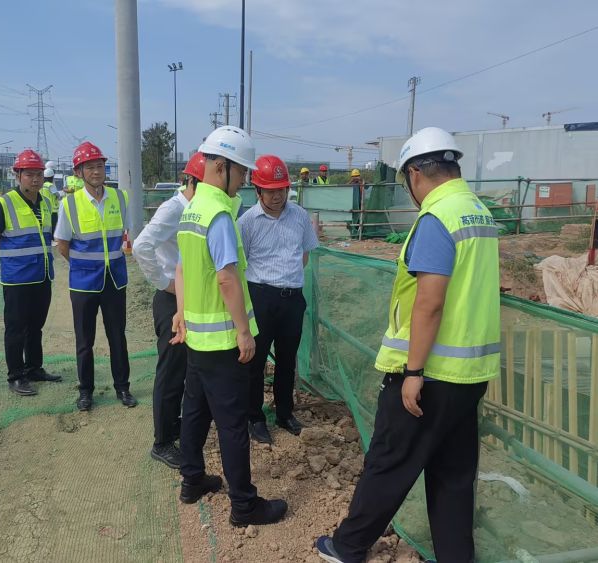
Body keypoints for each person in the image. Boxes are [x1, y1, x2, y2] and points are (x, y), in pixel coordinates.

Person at [316, 127, 501, 563]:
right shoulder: (478, 212)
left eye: (406, 181)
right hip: (469, 373)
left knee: (389, 460)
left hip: (429, 373)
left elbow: (430, 302)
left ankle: (348, 546)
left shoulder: (438, 217)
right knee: (453, 475)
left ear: (416, 174)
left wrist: (413, 372)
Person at [171, 126, 288, 527]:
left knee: (195, 411)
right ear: (221, 167)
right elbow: (225, 277)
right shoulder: (219, 213)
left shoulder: (192, 209)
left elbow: (184, 268)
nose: (245, 181)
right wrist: (243, 330)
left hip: (198, 341)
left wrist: (181, 315)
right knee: (233, 424)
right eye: (241, 173)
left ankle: (191, 481)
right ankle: (244, 505)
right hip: (222, 343)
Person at [238, 154, 319, 444]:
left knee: (287, 359)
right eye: (271, 191)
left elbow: (305, 255)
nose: (277, 196)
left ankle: (285, 412)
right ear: (258, 191)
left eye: (282, 189)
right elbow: (241, 263)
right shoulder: (247, 222)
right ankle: (254, 417)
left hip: (292, 298)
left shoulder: (299, 215)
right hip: (260, 297)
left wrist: (288, 279)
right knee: (255, 362)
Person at [134, 152, 205, 469]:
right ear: (190, 181)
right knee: (171, 372)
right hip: (172, 300)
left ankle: (175, 424)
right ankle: (162, 441)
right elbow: (141, 246)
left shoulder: (199, 209)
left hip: (192, 298)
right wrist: (165, 283)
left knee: (188, 370)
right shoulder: (173, 209)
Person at [54, 141, 136, 411]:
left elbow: (125, 235)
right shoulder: (70, 205)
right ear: (79, 172)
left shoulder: (119, 198)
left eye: (100, 166)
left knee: (117, 337)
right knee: (84, 341)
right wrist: (84, 265)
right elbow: (62, 244)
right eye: (90, 167)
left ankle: (122, 388)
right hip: (84, 283)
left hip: (114, 280)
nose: (97, 171)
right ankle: (86, 391)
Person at [0, 149, 61, 396]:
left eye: (39, 174)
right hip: (17, 279)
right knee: (16, 328)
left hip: (42, 275)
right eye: (30, 174)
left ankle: (34, 368)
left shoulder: (47, 201)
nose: (36, 179)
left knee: (36, 327)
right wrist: (13, 260)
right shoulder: (3, 204)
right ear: (18, 175)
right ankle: (16, 375)